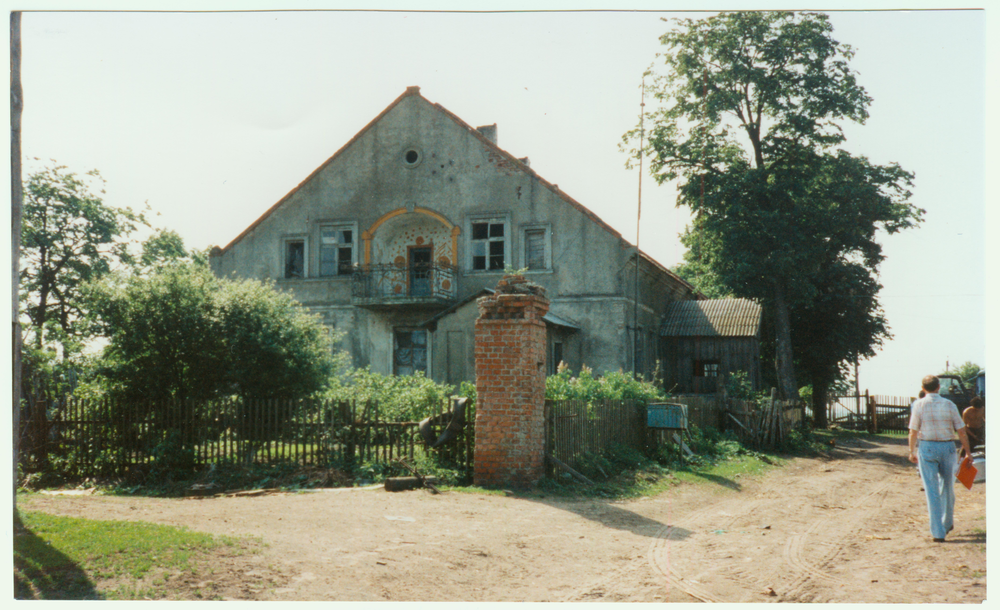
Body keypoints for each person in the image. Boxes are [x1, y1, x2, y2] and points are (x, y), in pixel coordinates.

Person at [908, 375, 971, 542]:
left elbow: (913, 431)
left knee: (932, 490)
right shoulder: (950, 405)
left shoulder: (919, 405)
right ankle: (947, 522)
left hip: (927, 447)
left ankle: (938, 532)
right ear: (938, 388)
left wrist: (911, 450)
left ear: (923, 389)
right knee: (948, 486)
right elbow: (961, 431)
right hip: (948, 447)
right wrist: (968, 453)